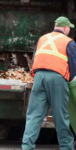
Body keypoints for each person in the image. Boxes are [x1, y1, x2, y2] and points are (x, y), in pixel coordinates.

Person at [22, 16, 76, 150]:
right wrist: (68, 80)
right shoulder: (69, 42)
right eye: (69, 27)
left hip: (39, 77)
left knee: (34, 114)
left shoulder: (42, 39)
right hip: (57, 78)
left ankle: (27, 146)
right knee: (60, 115)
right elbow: (74, 65)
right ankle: (66, 147)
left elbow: (34, 58)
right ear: (65, 28)